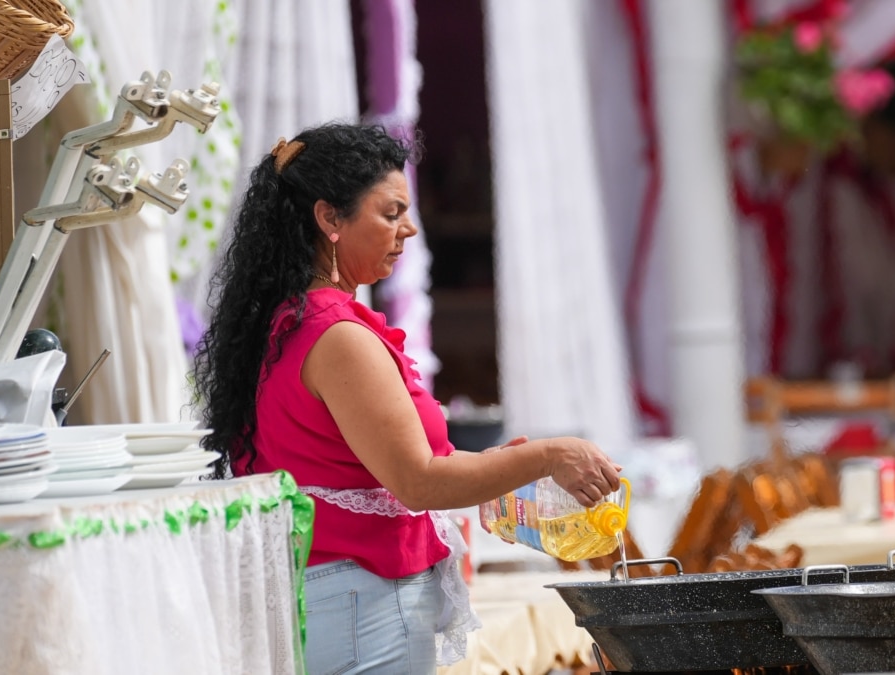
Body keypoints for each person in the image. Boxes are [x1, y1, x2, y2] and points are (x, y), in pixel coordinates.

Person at [192, 122, 622, 675]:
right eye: (391, 213)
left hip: (330, 596)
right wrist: (548, 455)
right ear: (329, 219)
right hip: (358, 601)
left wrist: (495, 468)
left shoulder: (292, 322)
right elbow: (417, 480)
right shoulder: (336, 335)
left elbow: (372, 468)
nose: (410, 229)